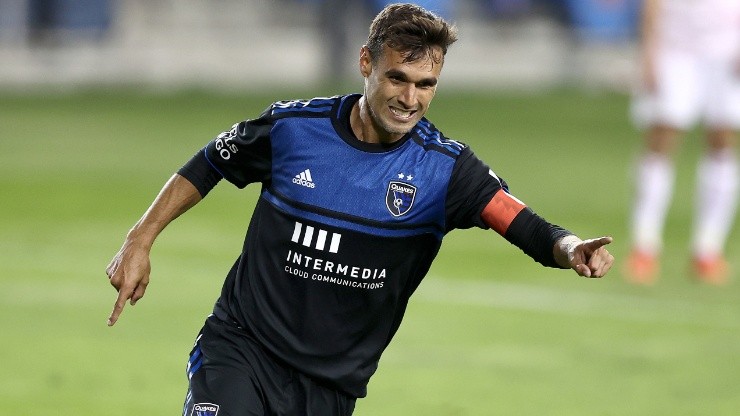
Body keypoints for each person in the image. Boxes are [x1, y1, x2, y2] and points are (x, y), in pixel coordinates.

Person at [106, 4, 615, 415]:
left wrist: (570, 248)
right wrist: (140, 238)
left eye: (426, 85)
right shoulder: (293, 129)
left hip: (331, 386)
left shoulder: (444, 170)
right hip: (241, 349)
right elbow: (211, 162)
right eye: (398, 78)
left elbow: (521, 222)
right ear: (366, 63)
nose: (410, 99)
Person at [626, 0, 740, 285]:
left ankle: (708, 249)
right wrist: (649, 50)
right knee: (662, 138)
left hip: (728, 49)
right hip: (676, 47)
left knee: (723, 141)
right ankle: (644, 245)